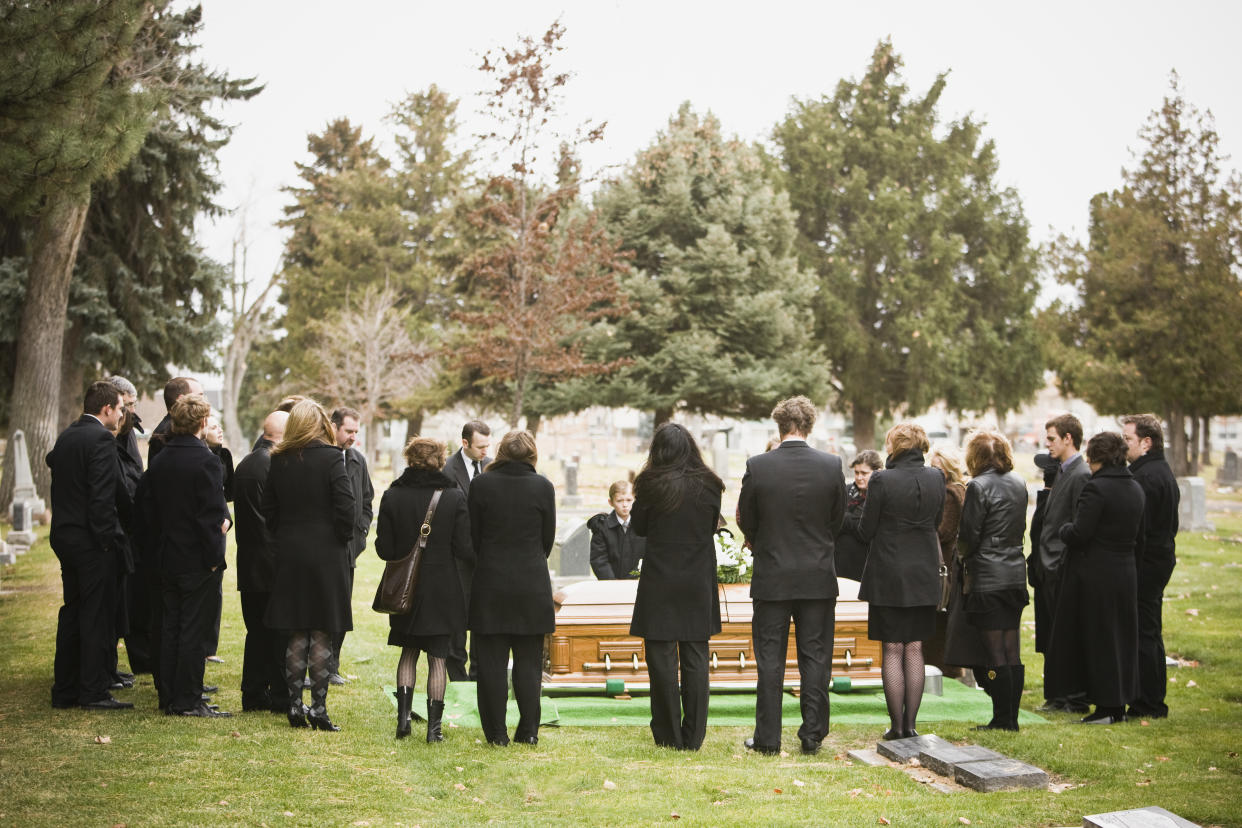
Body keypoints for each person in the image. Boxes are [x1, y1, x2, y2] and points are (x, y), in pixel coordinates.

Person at [737, 397, 845, 756]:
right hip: (816, 573)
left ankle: (767, 738)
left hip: (773, 573)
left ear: (779, 426)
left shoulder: (759, 466)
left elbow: (746, 518)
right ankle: (812, 733)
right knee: (815, 656)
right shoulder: (831, 466)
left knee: (770, 658)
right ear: (809, 426)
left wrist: (763, 540)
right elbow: (836, 520)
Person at [629, 423, 725, 750]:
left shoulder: (650, 483)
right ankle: (694, 735)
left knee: (662, 659)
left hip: (660, 577)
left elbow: (639, 527)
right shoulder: (710, 484)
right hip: (697, 577)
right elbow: (713, 525)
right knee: (696, 657)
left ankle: (668, 734)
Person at [262, 399, 356, 731]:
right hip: (325, 553)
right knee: (321, 629)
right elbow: (347, 508)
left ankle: (293, 705)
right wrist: (340, 538)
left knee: (297, 628)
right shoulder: (332, 458)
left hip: (290, 552)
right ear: (321, 426)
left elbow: (268, 509)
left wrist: (285, 535)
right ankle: (317, 708)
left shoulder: (279, 460)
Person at [141, 394, 233, 718]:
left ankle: (168, 695)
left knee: (170, 628)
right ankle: (189, 699)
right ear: (203, 422)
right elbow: (210, 516)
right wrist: (213, 556)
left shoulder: (161, 459)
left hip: (167, 555)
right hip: (196, 558)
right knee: (193, 630)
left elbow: (147, 509)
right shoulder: (206, 460)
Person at [375, 437, 473, 741]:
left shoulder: (392, 496)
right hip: (442, 588)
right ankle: (434, 729)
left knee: (408, 653)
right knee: (438, 658)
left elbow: (383, 549)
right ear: (441, 460)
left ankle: (403, 720)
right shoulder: (454, 497)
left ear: (409, 460)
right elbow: (464, 548)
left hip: (406, 589)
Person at [1047, 431, 1145, 724]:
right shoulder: (1134, 487)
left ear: (1097, 456)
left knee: (1100, 639)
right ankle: (1120, 703)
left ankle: (1107, 707)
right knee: (1120, 639)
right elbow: (1141, 536)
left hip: (1096, 573)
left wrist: (1064, 529)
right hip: (1124, 570)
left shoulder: (1097, 488)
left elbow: (1080, 533)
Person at [46, 381, 132, 710]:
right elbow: (102, 495)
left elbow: (53, 460)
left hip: (65, 534)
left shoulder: (68, 435)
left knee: (73, 610)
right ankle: (94, 690)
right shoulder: (99, 438)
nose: (122, 415)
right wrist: (107, 540)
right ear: (106, 409)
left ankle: (65, 689)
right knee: (96, 615)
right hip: (90, 541)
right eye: (121, 409)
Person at [466, 430, 555, 746]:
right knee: (529, 663)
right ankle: (529, 730)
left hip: (491, 580)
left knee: (490, 663)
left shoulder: (482, 484)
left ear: (501, 453)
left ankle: (496, 733)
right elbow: (547, 539)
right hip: (531, 582)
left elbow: (473, 536)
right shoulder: (543, 487)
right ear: (532, 454)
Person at [857, 422, 945, 740]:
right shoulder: (937, 476)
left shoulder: (882, 479)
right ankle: (911, 724)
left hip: (889, 573)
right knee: (915, 647)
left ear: (895, 445)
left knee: (893, 648)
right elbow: (936, 522)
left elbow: (866, 530)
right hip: (923, 571)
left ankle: (897, 726)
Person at [956, 431, 1029, 731]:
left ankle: (1002, 718)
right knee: (1011, 648)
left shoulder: (977, 486)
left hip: (987, 575)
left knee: (994, 652)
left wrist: (962, 556)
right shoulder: (1019, 482)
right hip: (1014, 572)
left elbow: (970, 534)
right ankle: (1010, 716)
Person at [1121, 414, 1180, 720]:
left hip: (1147, 564)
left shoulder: (1146, 477)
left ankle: (1149, 702)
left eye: (1128, 439)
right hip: (1158, 559)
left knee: (1145, 632)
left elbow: (1139, 528)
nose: (1124, 444)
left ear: (1146, 442)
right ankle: (1149, 699)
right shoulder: (1158, 471)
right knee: (1149, 631)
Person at [232, 409, 289, 713]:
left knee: (256, 633)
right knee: (277, 633)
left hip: (251, 560)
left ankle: (254, 692)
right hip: (271, 563)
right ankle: (279, 695)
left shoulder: (247, 462)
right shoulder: (272, 466)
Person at [1034, 414, 1091, 713]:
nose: (1047, 444)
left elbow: (1076, 524)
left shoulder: (1081, 474)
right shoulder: (1062, 471)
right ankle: (1058, 695)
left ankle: (1074, 697)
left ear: (1069, 438)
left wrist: (1057, 563)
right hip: (1049, 565)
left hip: (1060, 565)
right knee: (1053, 636)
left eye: (1052, 438)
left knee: (1067, 635)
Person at [105, 376, 150, 680]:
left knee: (130, 597)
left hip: (131, 524)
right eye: (126, 405)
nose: (129, 412)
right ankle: (106, 664)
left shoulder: (128, 430)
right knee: (112, 600)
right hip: (114, 527)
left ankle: (135, 659)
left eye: (132, 405)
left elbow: (134, 471)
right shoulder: (105, 436)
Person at [443, 419, 492, 681]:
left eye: (488, 445)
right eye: (480, 447)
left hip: (485, 556)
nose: (485, 452)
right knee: (459, 618)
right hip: (457, 558)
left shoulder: (491, 466)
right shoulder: (448, 470)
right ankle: (457, 676)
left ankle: (478, 673)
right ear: (465, 443)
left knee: (482, 616)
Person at [329, 407, 374, 686]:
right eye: (348, 431)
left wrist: (362, 531)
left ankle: (333, 665)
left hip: (349, 549)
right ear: (334, 427)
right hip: (325, 547)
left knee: (341, 609)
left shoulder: (357, 460)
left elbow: (366, 500)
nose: (353, 437)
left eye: (357, 432)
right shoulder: (323, 458)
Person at [928, 446, 981, 682]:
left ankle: (944, 672)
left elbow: (943, 531)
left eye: (938, 468)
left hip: (944, 566)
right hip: (952, 564)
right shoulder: (961, 489)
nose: (934, 473)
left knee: (939, 626)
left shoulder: (950, 493)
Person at [836, 450, 882, 582]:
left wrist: (845, 518)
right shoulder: (845, 490)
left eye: (864, 473)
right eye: (856, 472)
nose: (859, 477)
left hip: (865, 562)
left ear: (877, 472)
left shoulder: (879, 495)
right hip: (841, 560)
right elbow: (833, 520)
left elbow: (867, 530)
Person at [588, 480, 645, 580]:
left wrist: (637, 576)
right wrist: (613, 583)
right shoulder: (602, 527)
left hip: (637, 584)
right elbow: (599, 560)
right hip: (611, 585)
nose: (625, 505)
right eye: (619, 501)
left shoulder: (643, 525)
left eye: (629, 500)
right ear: (611, 502)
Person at [147, 376, 202, 465]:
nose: (203, 401)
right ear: (181, 399)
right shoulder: (168, 433)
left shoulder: (175, 429)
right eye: (199, 396)